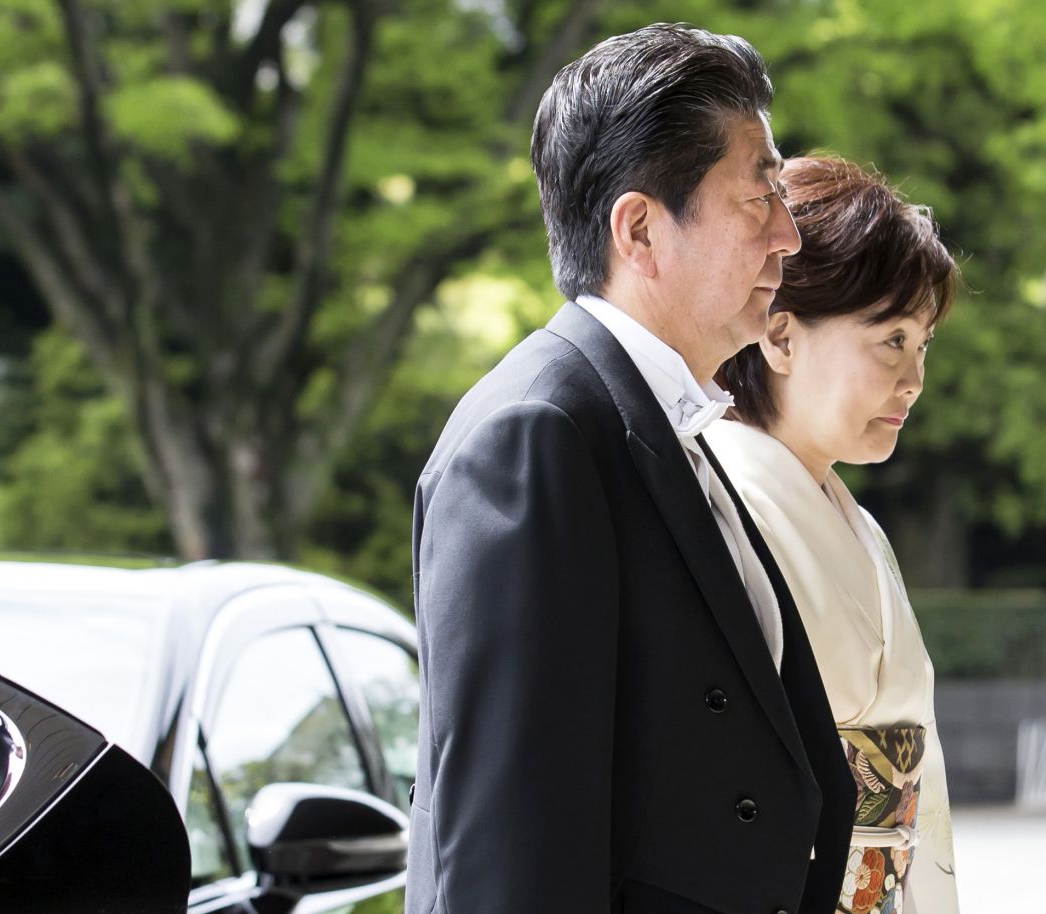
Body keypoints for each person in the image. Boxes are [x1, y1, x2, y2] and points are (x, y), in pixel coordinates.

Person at [408, 25, 853, 914]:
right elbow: (509, 843)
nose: (790, 237)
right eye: (759, 196)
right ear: (641, 229)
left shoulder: (659, 418)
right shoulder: (535, 436)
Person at [710, 156, 961, 914]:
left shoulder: (862, 527)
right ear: (780, 338)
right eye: (890, 339)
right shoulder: (718, 504)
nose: (913, 378)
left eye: (923, 345)